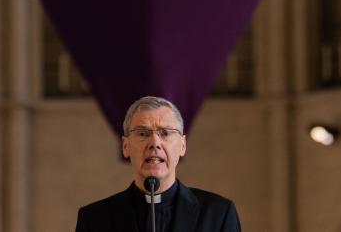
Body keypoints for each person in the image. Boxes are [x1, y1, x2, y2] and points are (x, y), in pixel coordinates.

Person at [75, 96, 241, 232]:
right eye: (142, 133)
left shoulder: (218, 214)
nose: (155, 142)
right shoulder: (94, 219)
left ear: (182, 146)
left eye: (165, 133)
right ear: (125, 147)